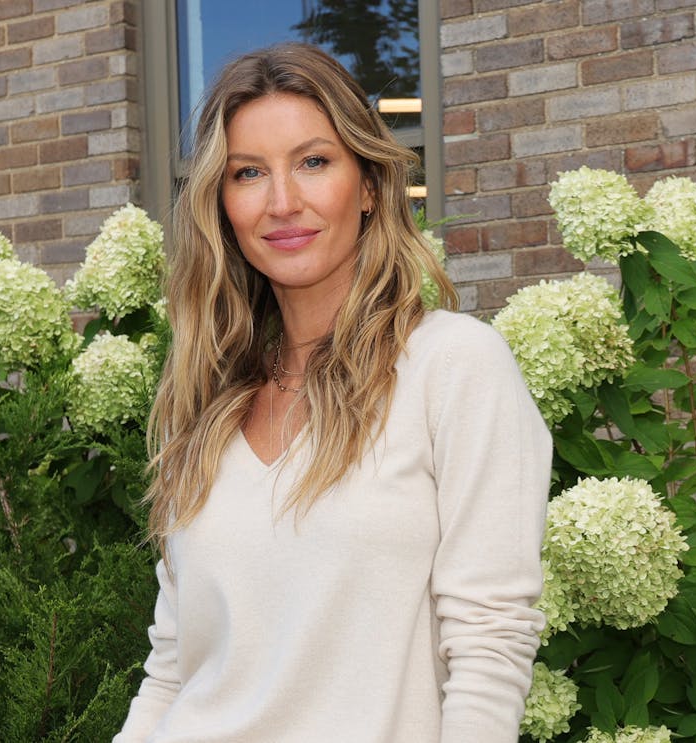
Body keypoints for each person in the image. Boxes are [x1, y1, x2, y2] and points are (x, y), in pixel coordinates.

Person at [115, 43, 552, 743]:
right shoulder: (204, 402)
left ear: (369, 184)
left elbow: (490, 641)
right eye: (248, 173)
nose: (282, 202)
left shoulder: (452, 366)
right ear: (221, 205)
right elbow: (173, 665)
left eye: (313, 162)